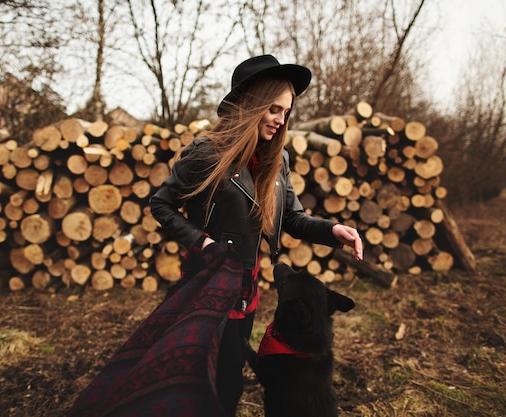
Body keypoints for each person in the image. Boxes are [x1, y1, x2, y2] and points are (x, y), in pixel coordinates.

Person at [150, 54, 364, 417]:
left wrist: (332, 230)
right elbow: (161, 204)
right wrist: (201, 242)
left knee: (223, 382)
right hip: (209, 285)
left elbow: (292, 218)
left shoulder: (275, 161)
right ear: (250, 105)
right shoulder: (207, 152)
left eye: (286, 111)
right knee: (225, 382)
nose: (281, 120)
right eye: (274, 109)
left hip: (246, 288)